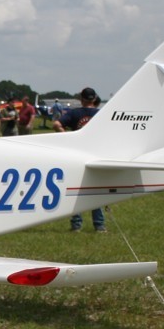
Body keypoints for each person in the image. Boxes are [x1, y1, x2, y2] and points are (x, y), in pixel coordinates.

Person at [54, 87, 106, 233]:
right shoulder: (102, 114)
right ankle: (99, 225)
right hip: (96, 155)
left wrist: (67, 138)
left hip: (76, 156)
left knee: (76, 191)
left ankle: (76, 224)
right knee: (97, 190)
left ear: (81, 99)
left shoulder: (74, 113)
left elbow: (56, 124)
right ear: (94, 99)